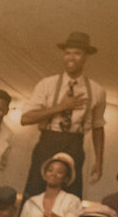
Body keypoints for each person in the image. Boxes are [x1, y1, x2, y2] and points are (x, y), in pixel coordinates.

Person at [21, 32, 106, 199]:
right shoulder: (47, 84)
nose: (71, 58)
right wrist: (61, 107)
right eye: (67, 53)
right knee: (36, 191)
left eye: (77, 53)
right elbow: (25, 119)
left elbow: (98, 127)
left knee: (70, 196)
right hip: (47, 141)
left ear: (86, 57)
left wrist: (99, 161)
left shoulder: (97, 91)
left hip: (75, 144)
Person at [19, 152, 81, 217]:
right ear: (45, 174)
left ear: (66, 178)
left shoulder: (72, 201)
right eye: (50, 170)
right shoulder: (31, 202)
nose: (53, 174)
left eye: (59, 172)